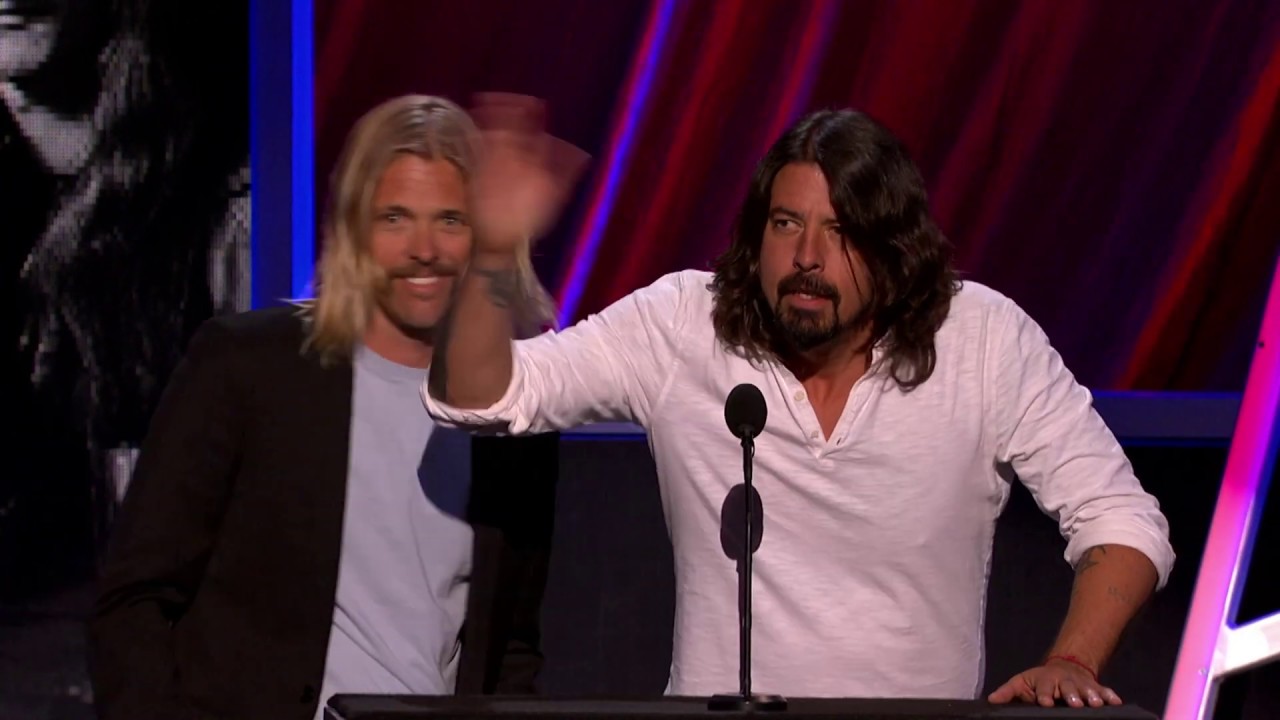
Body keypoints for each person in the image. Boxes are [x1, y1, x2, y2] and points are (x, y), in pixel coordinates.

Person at [424, 98, 1175, 709]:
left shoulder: (981, 339)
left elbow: (1121, 518)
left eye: (840, 231)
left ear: (895, 249)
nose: (808, 257)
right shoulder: (684, 324)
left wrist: (1072, 660)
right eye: (787, 225)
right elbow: (480, 397)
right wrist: (492, 249)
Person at [90, 95, 561, 720]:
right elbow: (135, 596)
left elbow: (510, 648)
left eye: (451, 219)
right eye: (395, 218)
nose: (425, 248)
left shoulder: (517, 411)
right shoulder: (249, 368)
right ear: (353, 228)